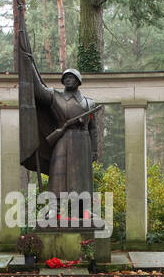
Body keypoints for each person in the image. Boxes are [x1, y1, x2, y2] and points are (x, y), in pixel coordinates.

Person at [17, 28, 101, 228]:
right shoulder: (54, 96)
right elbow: (37, 89)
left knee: (81, 180)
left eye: (72, 77)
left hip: (82, 143)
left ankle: (83, 212)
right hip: (61, 141)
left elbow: (94, 129)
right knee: (58, 176)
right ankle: (53, 210)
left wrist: (95, 149)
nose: (68, 80)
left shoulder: (90, 103)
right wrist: (29, 64)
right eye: (66, 78)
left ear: (78, 81)